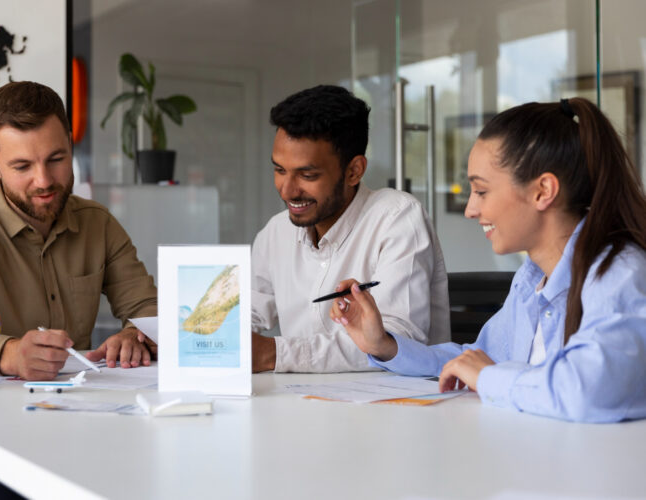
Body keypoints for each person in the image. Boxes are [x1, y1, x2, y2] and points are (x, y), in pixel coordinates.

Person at [0, 81, 158, 497]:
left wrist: (135, 333)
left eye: (57, 159)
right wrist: (9, 354)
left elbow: (147, 306)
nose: (44, 180)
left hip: (72, 419)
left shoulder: (98, 224)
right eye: (22, 167)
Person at [331, 98, 646, 422]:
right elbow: (476, 360)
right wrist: (384, 346)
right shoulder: (532, 279)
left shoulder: (620, 275)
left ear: (543, 191)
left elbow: (587, 390)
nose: (470, 210)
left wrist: (487, 378)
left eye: (481, 191)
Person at [251, 85, 450, 373]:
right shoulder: (275, 232)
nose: (287, 190)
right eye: (280, 170)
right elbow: (246, 313)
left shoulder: (397, 217)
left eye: (307, 175)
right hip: (301, 403)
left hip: (395, 407)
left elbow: (397, 339)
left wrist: (275, 353)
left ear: (354, 170)